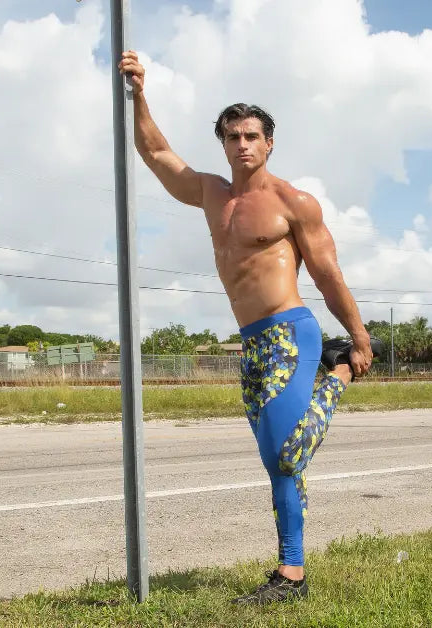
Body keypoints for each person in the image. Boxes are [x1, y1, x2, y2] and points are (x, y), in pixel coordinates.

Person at [119, 51, 384, 604]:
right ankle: (291, 572)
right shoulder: (212, 194)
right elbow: (155, 151)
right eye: (232, 136)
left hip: (292, 331)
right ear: (222, 143)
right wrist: (140, 93)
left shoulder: (293, 203)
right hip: (252, 344)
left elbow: (328, 274)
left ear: (269, 143)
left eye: (252, 135)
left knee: (288, 454)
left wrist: (358, 339)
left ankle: (336, 376)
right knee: (275, 461)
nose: (242, 144)